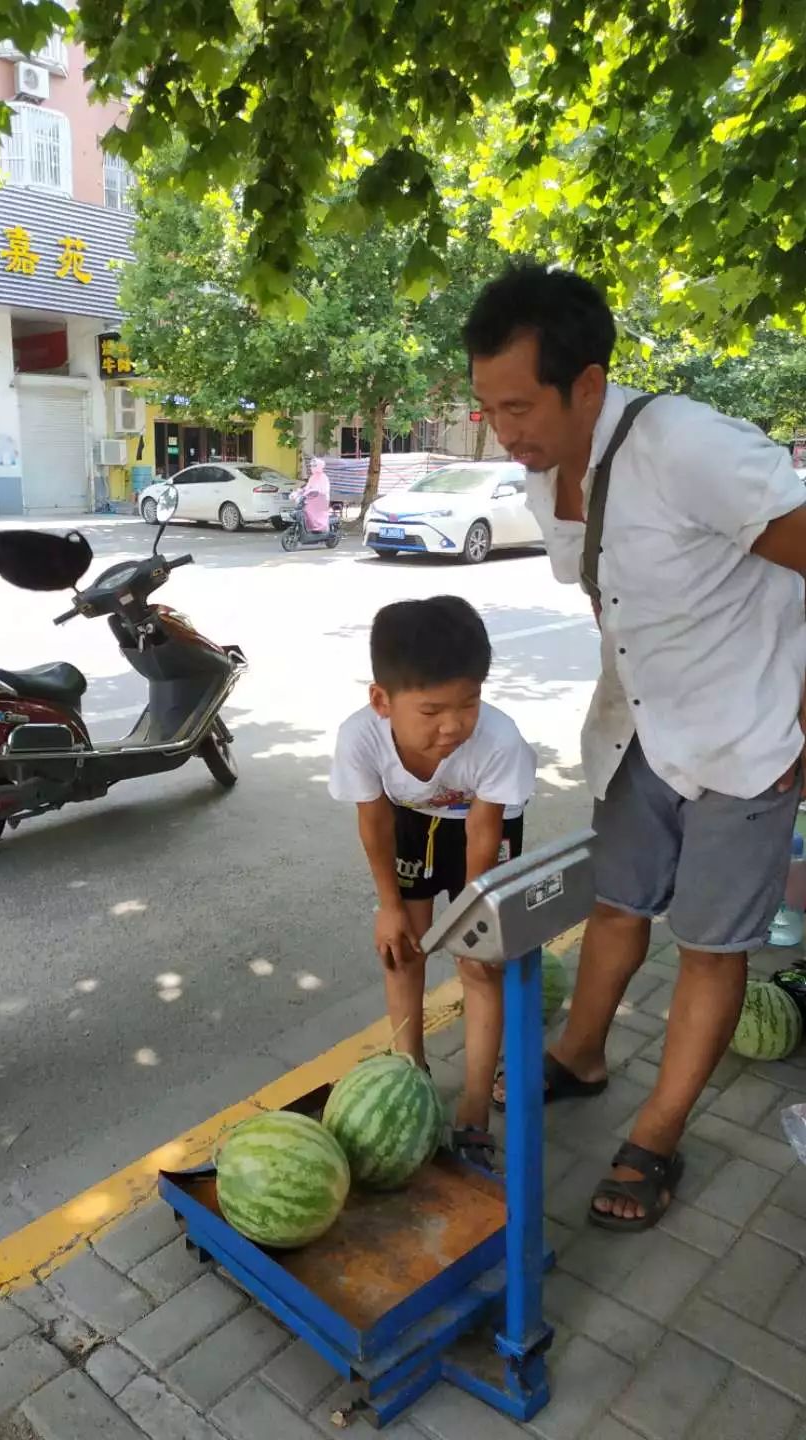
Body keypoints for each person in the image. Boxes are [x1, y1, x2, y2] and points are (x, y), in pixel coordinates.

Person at [464, 263, 806, 1230]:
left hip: (748, 737)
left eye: (520, 405)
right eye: (489, 407)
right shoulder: (544, 473)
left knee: (708, 944)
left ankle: (656, 1137)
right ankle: (582, 1053)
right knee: (616, 904)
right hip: (643, 729)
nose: (506, 430)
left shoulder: (690, 448)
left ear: (588, 383)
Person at [329, 597, 537, 1166]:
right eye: (432, 711)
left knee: (479, 965)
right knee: (402, 951)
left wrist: (474, 916)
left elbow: (483, 828)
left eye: (469, 703)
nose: (453, 726)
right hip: (411, 822)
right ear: (382, 700)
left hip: (482, 828)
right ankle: (409, 1073)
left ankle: (474, 1107)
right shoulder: (360, 738)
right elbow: (373, 819)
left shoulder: (499, 740)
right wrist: (388, 906)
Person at [291, 456, 331, 532]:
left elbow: (324, 490)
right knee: (304, 507)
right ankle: (309, 527)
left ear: (319, 466)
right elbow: (308, 487)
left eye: (314, 466)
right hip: (312, 497)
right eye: (311, 466)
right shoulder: (313, 477)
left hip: (321, 499)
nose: (312, 467)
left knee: (309, 508)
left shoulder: (323, 477)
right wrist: (300, 491)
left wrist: (315, 491)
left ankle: (319, 527)